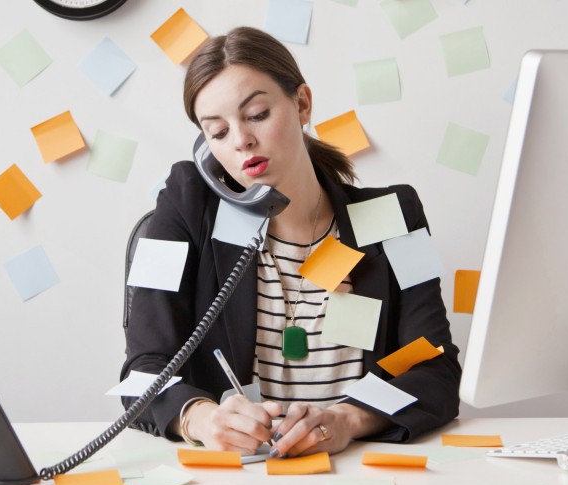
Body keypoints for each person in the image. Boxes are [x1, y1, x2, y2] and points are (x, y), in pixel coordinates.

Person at [122, 26, 460, 459]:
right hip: (234, 479)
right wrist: (204, 419)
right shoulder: (185, 206)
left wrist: (349, 420)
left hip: (356, 469)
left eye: (257, 114)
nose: (241, 140)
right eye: (218, 132)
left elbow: (436, 369)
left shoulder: (393, 215)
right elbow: (142, 370)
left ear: (301, 104)